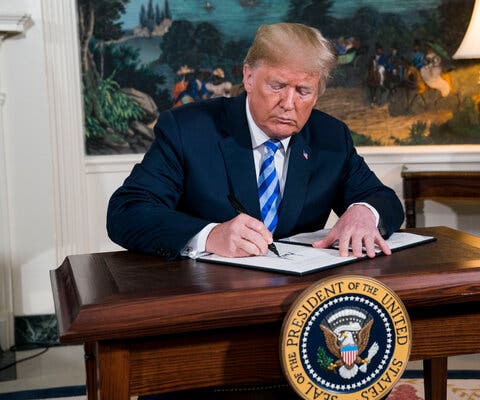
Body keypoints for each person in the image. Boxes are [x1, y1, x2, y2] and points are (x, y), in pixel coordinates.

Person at [107, 22, 404, 261]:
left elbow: (383, 199)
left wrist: (365, 211)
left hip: (301, 303)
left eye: (303, 91)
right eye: (277, 86)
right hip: (206, 300)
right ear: (248, 77)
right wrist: (210, 235)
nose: (289, 103)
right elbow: (127, 212)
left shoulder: (331, 137)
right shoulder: (188, 129)